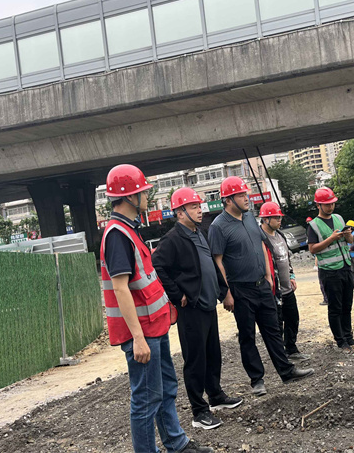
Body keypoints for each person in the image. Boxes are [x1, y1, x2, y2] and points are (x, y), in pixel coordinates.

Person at [100, 164, 212, 453]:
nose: (147, 197)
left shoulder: (129, 230)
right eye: (143, 192)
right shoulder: (117, 234)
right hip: (142, 332)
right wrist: (137, 337)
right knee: (146, 398)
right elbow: (121, 288)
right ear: (129, 196)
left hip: (154, 326)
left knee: (165, 388)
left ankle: (176, 442)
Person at [208, 176, 314, 396]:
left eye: (245, 194)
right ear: (228, 200)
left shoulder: (249, 218)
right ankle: (257, 380)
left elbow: (261, 246)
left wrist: (268, 276)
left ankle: (286, 371)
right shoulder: (218, 226)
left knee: (273, 329)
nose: (246, 198)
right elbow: (217, 261)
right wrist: (226, 293)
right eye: (241, 195)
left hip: (261, 285)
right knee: (247, 335)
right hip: (240, 289)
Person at [152, 187, 243, 431]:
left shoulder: (199, 233)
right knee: (195, 359)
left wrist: (224, 291)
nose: (200, 210)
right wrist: (177, 294)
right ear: (180, 212)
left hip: (208, 304)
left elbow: (211, 265)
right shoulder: (172, 239)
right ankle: (199, 411)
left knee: (213, 353)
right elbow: (157, 266)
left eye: (199, 206)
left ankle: (215, 396)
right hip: (191, 307)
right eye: (194, 207)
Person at [307, 187, 354, 352]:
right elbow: (312, 249)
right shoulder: (314, 225)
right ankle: (340, 341)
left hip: (345, 267)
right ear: (318, 205)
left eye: (332, 204)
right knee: (335, 307)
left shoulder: (339, 218)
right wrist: (331, 239)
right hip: (329, 272)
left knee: (347, 305)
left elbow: (350, 242)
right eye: (327, 204)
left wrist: (348, 235)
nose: (330, 207)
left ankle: (348, 336)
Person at [259, 202, 309, 362]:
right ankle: (280, 355)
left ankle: (291, 348)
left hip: (287, 289)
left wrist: (292, 276)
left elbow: (287, 258)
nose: (280, 220)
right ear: (266, 219)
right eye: (276, 217)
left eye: (280, 217)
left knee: (293, 319)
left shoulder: (280, 235)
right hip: (274, 291)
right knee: (276, 324)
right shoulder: (260, 239)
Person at [307, 216, 328, 306]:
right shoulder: (313, 229)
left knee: (323, 283)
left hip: (323, 264)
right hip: (325, 263)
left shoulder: (314, 230)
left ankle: (326, 299)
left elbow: (316, 253)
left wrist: (316, 265)